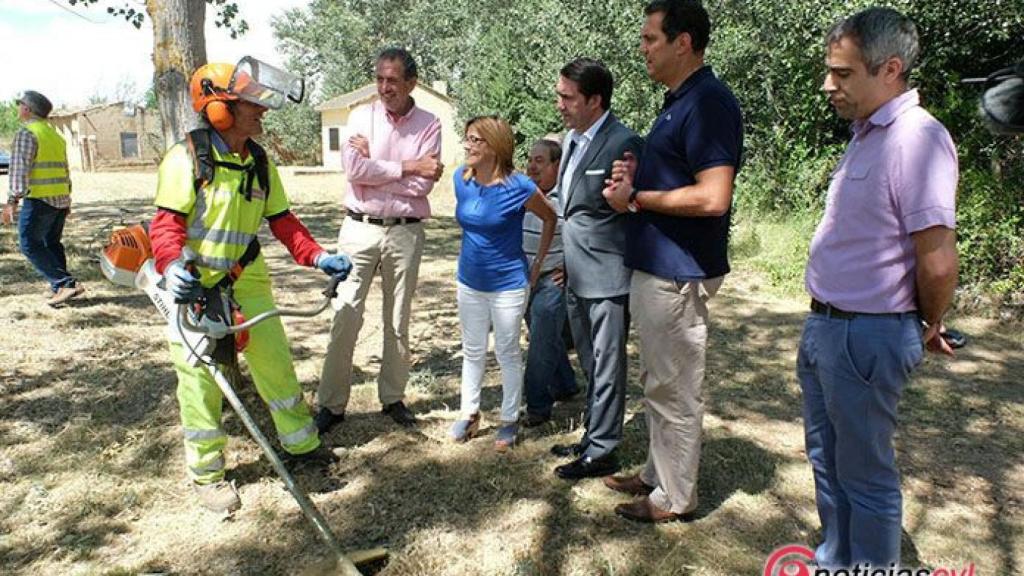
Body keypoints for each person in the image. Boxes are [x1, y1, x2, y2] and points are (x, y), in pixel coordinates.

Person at [148, 59, 354, 513]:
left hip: (246, 277)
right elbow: (165, 227)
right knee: (200, 379)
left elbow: (283, 223)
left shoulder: (259, 162)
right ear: (219, 108)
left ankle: (302, 447)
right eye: (251, 103)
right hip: (193, 286)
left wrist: (318, 257)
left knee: (276, 365)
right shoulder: (186, 159)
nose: (262, 111)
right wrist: (171, 268)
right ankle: (207, 474)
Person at [798, 8, 958, 568]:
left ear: (890, 69)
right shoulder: (866, 135)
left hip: (866, 336)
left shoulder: (919, 139)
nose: (828, 85)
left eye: (842, 73)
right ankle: (836, 559)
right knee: (827, 460)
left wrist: (929, 322)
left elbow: (936, 259)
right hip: (826, 328)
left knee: (865, 475)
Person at [601, 0, 743, 522]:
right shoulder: (679, 100)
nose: (642, 49)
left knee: (676, 386)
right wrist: (642, 172)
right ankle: (657, 473)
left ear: (683, 42)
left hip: (678, 271)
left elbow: (712, 196)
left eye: (650, 39)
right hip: (659, 266)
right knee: (658, 380)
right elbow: (680, 176)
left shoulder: (709, 102)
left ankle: (675, 498)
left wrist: (637, 197)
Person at [316, 47, 444, 432]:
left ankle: (392, 398)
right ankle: (332, 405)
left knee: (398, 318)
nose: (384, 87)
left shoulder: (429, 123)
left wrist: (378, 169)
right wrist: (406, 166)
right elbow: (354, 170)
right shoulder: (360, 116)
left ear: (411, 83)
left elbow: (426, 181)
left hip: (404, 231)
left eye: (392, 80)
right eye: (380, 79)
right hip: (358, 228)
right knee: (345, 314)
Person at [546, 58, 643, 481]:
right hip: (575, 273)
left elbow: (633, 206)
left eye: (567, 97)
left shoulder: (624, 142)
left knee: (607, 364)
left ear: (595, 100)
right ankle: (593, 433)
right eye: (560, 95)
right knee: (588, 359)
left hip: (607, 275)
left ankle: (603, 450)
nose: (560, 104)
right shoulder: (571, 139)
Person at [449, 116, 556, 451]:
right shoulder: (460, 179)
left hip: (509, 283)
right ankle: (470, 413)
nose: (467, 145)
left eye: (475, 140)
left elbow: (550, 217)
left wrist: (537, 264)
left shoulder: (520, 187)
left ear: (494, 147)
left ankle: (509, 420)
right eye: (467, 139)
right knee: (473, 350)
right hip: (469, 281)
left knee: (507, 351)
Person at [3, 90, 84, 307]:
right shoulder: (55, 136)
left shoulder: (27, 133)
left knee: (29, 243)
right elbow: (65, 170)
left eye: (20, 105)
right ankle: (61, 287)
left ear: (27, 109)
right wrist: (68, 199)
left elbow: (20, 170)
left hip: (39, 199)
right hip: (60, 199)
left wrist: (12, 201)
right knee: (52, 243)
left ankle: (65, 283)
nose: (18, 108)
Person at [522, 138, 578, 428]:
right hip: (522, 280)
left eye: (540, 161)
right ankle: (566, 385)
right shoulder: (522, 193)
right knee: (547, 337)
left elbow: (582, 234)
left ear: (557, 165)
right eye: (530, 159)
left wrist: (569, 267)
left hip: (550, 282)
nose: (532, 166)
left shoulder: (567, 197)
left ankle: (537, 406)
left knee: (540, 342)